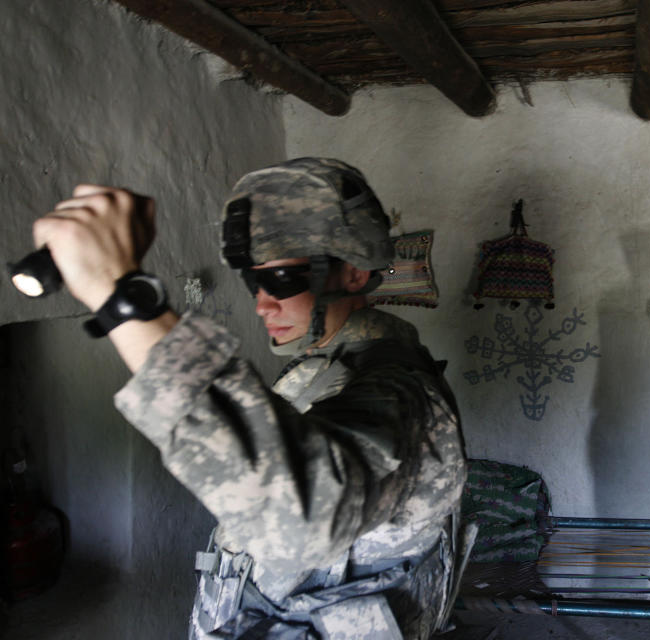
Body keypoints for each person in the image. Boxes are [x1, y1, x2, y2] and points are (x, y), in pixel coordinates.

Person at [32, 157, 468, 639]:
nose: (263, 303)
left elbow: (303, 519)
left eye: (283, 280)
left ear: (354, 274)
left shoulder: (398, 391)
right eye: (253, 281)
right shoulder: (328, 366)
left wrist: (125, 301)